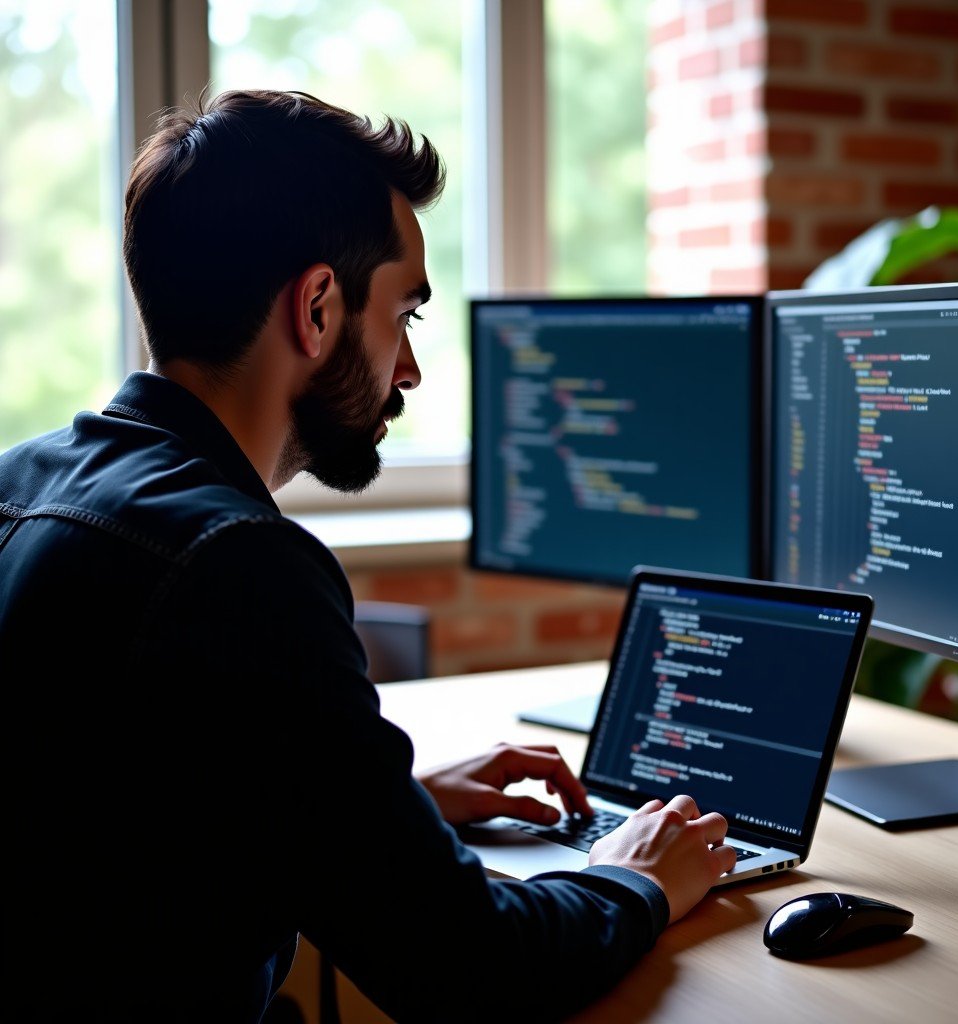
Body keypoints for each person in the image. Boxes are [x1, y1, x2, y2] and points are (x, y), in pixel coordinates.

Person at [0, 88, 736, 1023]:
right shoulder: (240, 566)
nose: (411, 369)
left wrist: (386, 811)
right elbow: (470, 968)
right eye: (406, 316)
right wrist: (637, 879)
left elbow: (103, 830)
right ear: (316, 306)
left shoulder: (17, 482)